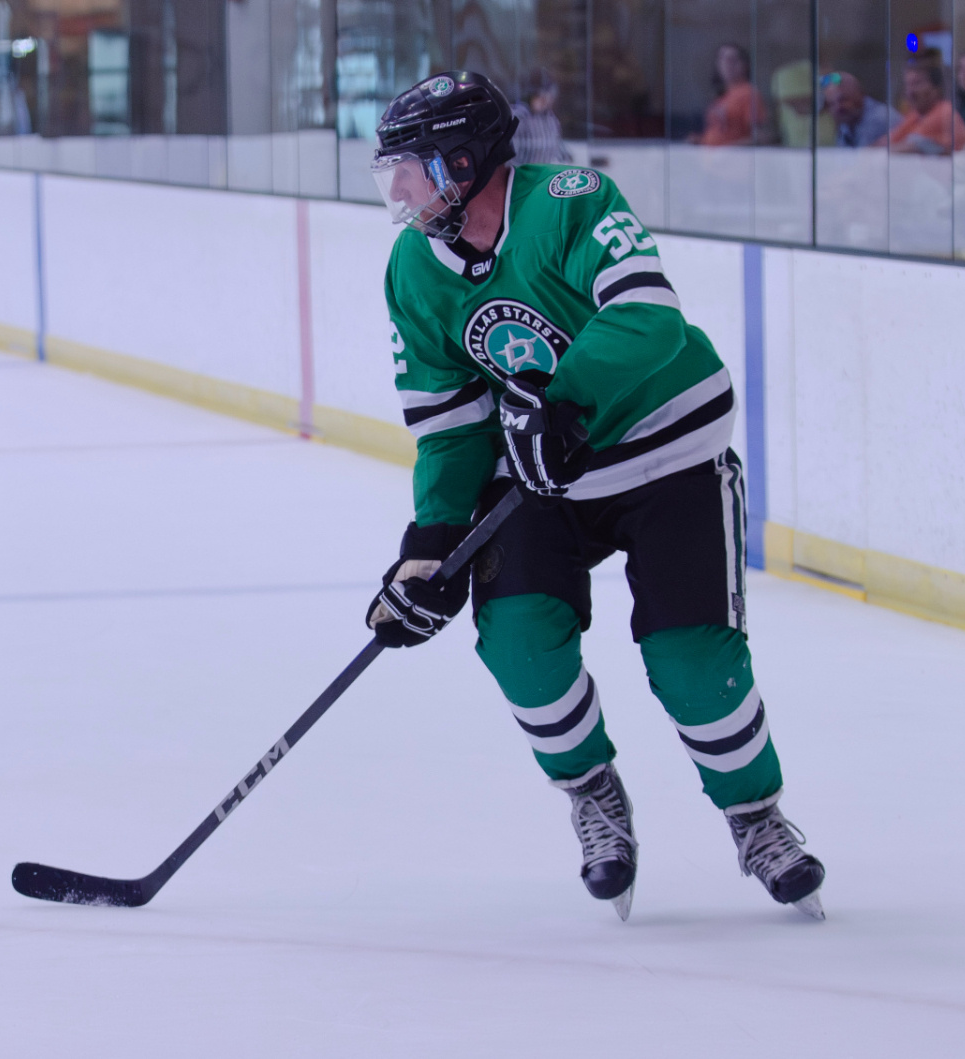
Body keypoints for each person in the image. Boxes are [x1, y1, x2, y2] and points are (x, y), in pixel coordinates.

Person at [366, 71, 827, 922]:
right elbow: (452, 422)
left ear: (465, 162)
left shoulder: (569, 201)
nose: (397, 191)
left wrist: (566, 402)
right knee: (519, 645)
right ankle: (592, 792)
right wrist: (429, 543)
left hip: (667, 453)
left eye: (413, 167)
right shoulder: (414, 269)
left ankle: (756, 816)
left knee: (692, 662)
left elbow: (649, 316)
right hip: (543, 477)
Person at [883, 61, 965, 154]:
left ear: (936, 89)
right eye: (908, 85)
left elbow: (909, 145)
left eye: (917, 84)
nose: (910, 92)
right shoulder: (915, 115)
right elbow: (890, 140)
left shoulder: (945, 112)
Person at [691, 44, 767, 146]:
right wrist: (701, 140)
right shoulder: (720, 95)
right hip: (709, 154)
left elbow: (759, 137)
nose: (727, 64)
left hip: (732, 155)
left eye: (732, 60)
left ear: (744, 65)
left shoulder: (749, 94)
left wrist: (728, 149)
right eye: (722, 59)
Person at [510, 69, 572, 166]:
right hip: (522, 172)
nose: (545, 101)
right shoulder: (518, 118)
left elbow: (558, 148)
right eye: (540, 96)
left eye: (548, 96)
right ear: (530, 95)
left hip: (545, 172)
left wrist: (566, 161)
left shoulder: (550, 119)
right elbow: (510, 155)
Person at [822, 72, 892, 147]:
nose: (838, 107)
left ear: (859, 94)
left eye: (843, 100)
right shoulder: (846, 123)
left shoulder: (882, 118)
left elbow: (865, 153)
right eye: (831, 104)